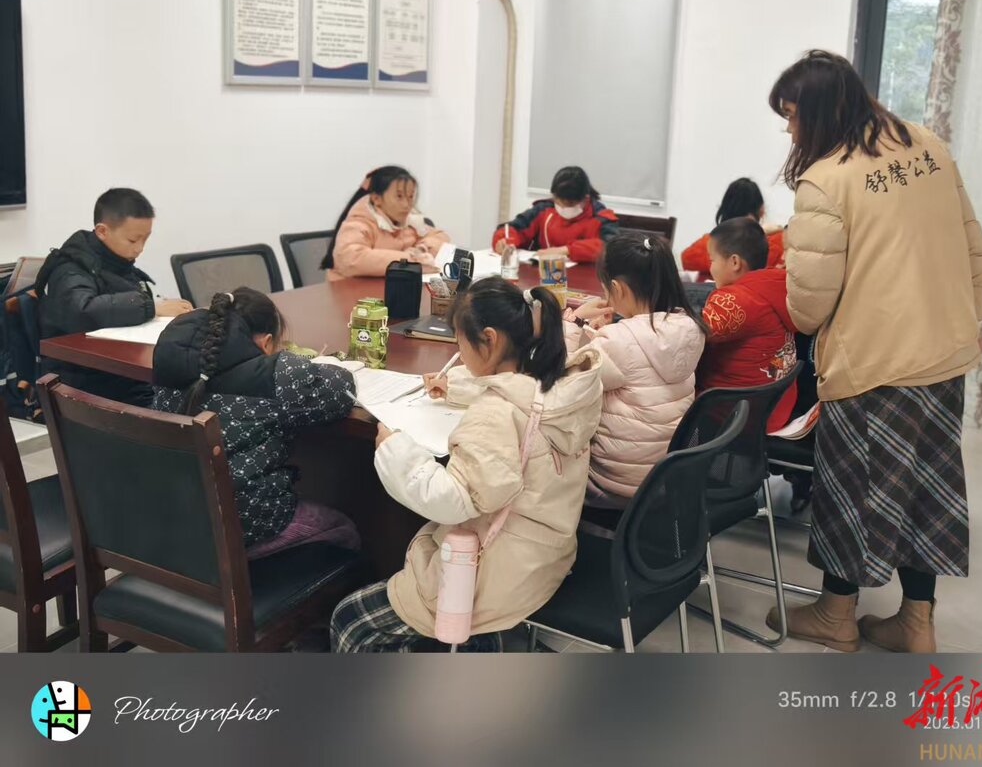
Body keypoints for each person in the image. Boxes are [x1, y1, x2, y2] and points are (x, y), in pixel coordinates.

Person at [764, 49, 982, 653]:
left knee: (852, 489)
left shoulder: (826, 179)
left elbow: (809, 307)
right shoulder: (926, 145)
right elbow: (973, 243)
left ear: (820, 113)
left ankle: (836, 616)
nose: (790, 131)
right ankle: (917, 622)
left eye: (793, 116)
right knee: (928, 486)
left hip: (874, 364)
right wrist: (972, 319)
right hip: (944, 350)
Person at [331, 277, 603, 652]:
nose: (458, 353)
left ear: (488, 340)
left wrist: (394, 449)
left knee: (349, 620)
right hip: (546, 556)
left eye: (460, 343)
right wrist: (460, 386)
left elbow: (454, 500)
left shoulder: (494, 415)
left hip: (493, 577)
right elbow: (513, 389)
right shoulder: (560, 386)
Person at [152, 287, 362, 558]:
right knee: (343, 528)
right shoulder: (277, 375)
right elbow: (342, 389)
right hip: (242, 528)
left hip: (169, 516)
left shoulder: (171, 357)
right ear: (266, 343)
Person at [563, 232, 705, 507]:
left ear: (618, 289)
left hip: (614, 483)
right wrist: (602, 335)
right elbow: (637, 362)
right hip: (665, 475)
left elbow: (565, 384)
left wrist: (573, 321)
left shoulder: (620, 339)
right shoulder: (689, 328)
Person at [35, 188, 191, 407]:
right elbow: (83, 310)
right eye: (133, 240)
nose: (140, 248)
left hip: (123, 376)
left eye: (145, 239)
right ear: (102, 231)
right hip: (86, 384)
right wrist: (152, 307)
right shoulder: (70, 268)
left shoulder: (117, 263)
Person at [696, 218, 798, 433]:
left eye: (712, 260)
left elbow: (692, 335)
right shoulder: (776, 288)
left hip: (736, 413)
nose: (710, 267)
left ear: (734, 262)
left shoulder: (737, 299)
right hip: (775, 406)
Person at [322, 166, 451, 279]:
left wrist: (421, 249)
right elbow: (351, 258)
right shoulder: (359, 223)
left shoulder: (409, 222)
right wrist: (411, 259)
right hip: (351, 293)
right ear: (376, 199)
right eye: (399, 196)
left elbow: (440, 237)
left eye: (410, 196)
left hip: (388, 288)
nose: (407, 204)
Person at [493, 165, 618, 264]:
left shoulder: (602, 217)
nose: (562, 207)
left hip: (585, 280)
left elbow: (611, 248)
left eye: (569, 204)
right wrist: (503, 241)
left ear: (585, 199)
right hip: (543, 275)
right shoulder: (544, 209)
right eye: (558, 201)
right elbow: (514, 228)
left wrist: (566, 250)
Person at [680, 177, 785, 276]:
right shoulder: (780, 241)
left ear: (724, 210)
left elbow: (686, 259)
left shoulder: (711, 243)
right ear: (761, 210)